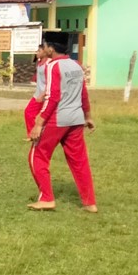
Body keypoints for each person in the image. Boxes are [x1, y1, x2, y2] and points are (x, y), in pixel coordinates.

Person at [28, 33, 97, 212]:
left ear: (51, 48)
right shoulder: (76, 65)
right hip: (76, 119)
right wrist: (88, 116)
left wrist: (39, 123)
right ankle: (90, 203)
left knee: (37, 156)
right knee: (79, 161)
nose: (43, 48)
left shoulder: (53, 65)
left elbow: (53, 97)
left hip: (58, 119)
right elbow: (83, 93)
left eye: (45, 45)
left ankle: (47, 199)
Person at [24, 45, 49, 141]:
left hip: (45, 95)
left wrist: (43, 94)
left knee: (46, 117)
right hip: (37, 95)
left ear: (45, 52)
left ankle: (40, 134)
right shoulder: (39, 62)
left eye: (39, 51)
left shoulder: (48, 64)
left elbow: (50, 81)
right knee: (28, 112)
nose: (37, 53)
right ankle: (32, 135)